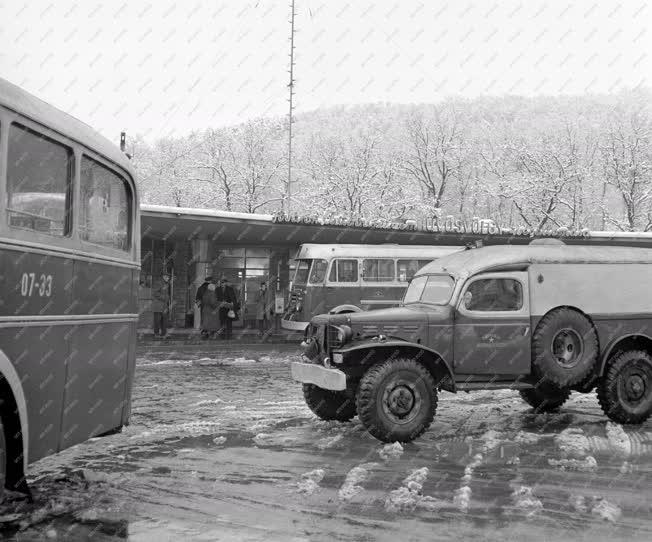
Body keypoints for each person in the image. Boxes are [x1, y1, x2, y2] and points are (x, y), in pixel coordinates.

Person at [152, 273, 171, 338]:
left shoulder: (166, 284)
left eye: (169, 277)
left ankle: (164, 333)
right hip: (158, 305)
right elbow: (155, 293)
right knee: (157, 320)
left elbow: (166, 294)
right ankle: (156, 334)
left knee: (164, 320)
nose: (168, 278)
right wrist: (164, 297)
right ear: (164, 276)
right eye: (167, 277)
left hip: (164, 305)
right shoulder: (158, 283)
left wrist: (167, 298)